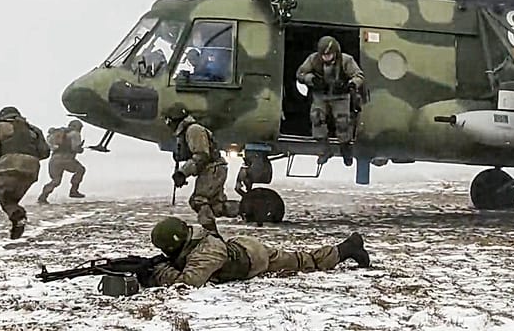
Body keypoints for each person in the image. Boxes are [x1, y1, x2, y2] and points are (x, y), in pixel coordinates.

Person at [146, 216, 370, 288]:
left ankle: (347, 249)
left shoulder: (206, 253)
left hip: (254, 260)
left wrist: (158, 272)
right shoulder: (198, 242)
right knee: (302, 259)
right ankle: (346, 248)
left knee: (304, 263)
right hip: (245, 248)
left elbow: (189, 282)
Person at [0, 106, 50, 250]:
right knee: (9, 199)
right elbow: (45, 153)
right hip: (31, 170)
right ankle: (18, 216)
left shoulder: (0, 127)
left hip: (8, 167)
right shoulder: (34, 130)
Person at [162, 104, 239, 233]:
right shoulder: (189, 131)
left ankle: (212, 234)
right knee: (216, 206)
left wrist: (182, 173)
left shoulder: (193, 130)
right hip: (214, 168)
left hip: (212, 168)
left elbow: (202, 156)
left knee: (198, 201)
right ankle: (247, 209)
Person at [296, 35, 364, 166]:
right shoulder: (313, 59)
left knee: (342, 121)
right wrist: (312, 80)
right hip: (320, 95)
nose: (326, 57)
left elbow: (358, 75)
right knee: (316, 117)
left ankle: (345, 148)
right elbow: (301, 74)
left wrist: (351, 84)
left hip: (340, 96)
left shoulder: (346, 60)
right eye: (324, 55)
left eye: (329, 55)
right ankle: (324, 149)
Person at [37, 119, 86, 204]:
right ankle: (74, 190)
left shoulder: (56, 134)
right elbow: (75, 148)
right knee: (80, 169)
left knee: (56, 180)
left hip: (54, 160)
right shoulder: (75, 134)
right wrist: (81, 149)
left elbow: (50, 146)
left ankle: (43, 196)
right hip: (66, 159)